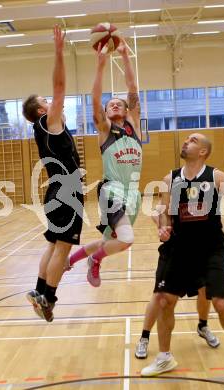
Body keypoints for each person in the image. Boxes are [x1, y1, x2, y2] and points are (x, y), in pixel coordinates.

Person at [141, 133, 224, 381]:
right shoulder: (169, 179)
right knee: (163, 300)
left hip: (211, 248)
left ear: (203, 151)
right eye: (186, 139)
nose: (186, 141)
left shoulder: (216, 176)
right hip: (179, 249)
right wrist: (162, 226)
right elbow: (164, 214)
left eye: (193, 140)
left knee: (221, 303)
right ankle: (164, 357)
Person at [68, 38, 142, 287]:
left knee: (111, 241)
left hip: (133, 194)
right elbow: (95, 97)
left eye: (118, 103)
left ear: (127, 110)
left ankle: (73, 259)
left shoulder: (134, 127)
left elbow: (132, 88)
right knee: (127, 238)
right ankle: (95, 262)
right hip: (112, 190)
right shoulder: (105, 129)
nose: (114, 104)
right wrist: (100, 64)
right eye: (110, 104)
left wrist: (124, 56)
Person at [22, 25, 83, 322]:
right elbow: (60, 87)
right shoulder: (49, 120)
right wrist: (59, 52)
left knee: (53, 244)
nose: (52, 101)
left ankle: (38, 290)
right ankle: (49, 298)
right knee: (63, 247)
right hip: (67, 191)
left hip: (55, 191)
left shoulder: (40, 128)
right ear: (41, 110)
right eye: (46, 101)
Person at [135, 206, 219, 359]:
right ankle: (144, 337)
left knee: (205, 290)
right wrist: (161, 224)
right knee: (160, 297)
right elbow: (155, 211)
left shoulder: (202, 189)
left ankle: (203, 326)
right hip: (172, 252)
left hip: (196, 252)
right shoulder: (172, 187)